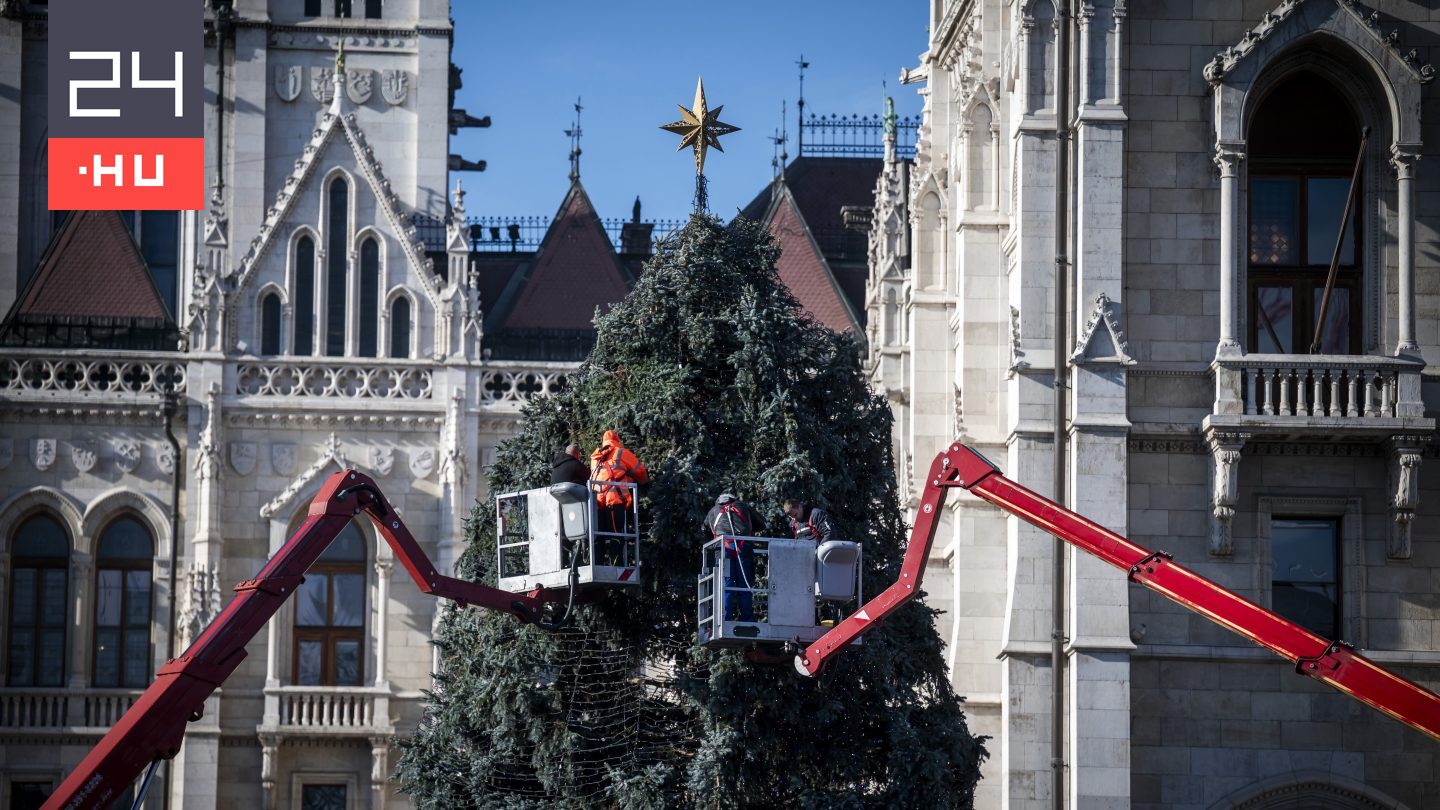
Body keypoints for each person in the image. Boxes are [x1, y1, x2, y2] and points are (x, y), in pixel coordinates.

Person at [704, 494, 766, 622]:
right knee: (744, 584)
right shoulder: (743, 506)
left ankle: (724, 619)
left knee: (725, 584)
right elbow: (761, 523)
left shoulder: (712, 511)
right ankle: (747, 618)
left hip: (723, 549)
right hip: (743, 547)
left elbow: (704, 528)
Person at [590, 429, 649, 562]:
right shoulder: (621, 452)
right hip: (614, 501)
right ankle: (616, 565)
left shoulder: (596, 458)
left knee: (599, 536)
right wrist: (644, 482)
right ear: (616, 440)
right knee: (617, 534)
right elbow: (640, 471)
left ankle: (597, 563)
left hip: (597, 504)